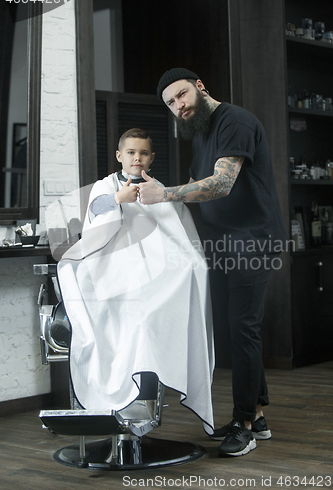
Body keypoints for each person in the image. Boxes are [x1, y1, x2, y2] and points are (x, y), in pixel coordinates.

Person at [138, 68, 288, 457]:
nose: (179, 106)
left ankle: (245, 424)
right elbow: (198, 188)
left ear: (200, 86)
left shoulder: (234, 121)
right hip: (223, 242)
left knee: (243, 330)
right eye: (171, 103)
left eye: (182, 95)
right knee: (234, 329)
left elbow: (222, 184)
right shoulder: (201, 130)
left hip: (251, 240)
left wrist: (165, 193)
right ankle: (257, 414)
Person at [56, 128, 215, 434]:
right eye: (131, 153)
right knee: (131, 322)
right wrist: (118, 198)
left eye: (143, 153)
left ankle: (144, 406)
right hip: (114, 273)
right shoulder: (105, 187)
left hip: (158, 280)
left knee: (154, 314)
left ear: (151, 158)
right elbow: (94, 211)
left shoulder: (159, 190)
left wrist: (193, 266)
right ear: (120, 156)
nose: (137, 159)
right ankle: (124, 406)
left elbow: (180, 237)